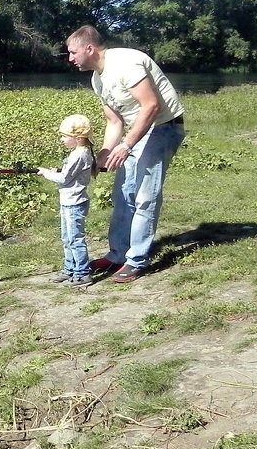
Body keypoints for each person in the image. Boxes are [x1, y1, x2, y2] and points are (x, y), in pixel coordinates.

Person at [65, 25, 185, 283]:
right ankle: (118, 255)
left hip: (163, 128)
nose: (70, 58)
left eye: (73, 52)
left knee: (144, 196)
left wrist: (126, 146)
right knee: (123, 193)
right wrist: (104, 154)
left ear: (90, 48)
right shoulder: (98, 78)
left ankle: (137, 261)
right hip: (139, 132)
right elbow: (114, 121)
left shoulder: (125, 63)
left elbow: (151, 106)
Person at [36, 114, 96, 287]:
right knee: (66, 238)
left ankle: (83, 273)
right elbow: (70, 172)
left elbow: (64, 178)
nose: (62, 140)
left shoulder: (79, 155)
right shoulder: (78, 153)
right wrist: (57, 169)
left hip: (74, 204)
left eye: (64, 136)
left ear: (77, 138)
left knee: (75, 239)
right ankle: (70, 268)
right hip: (68, 203)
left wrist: (45, 173)